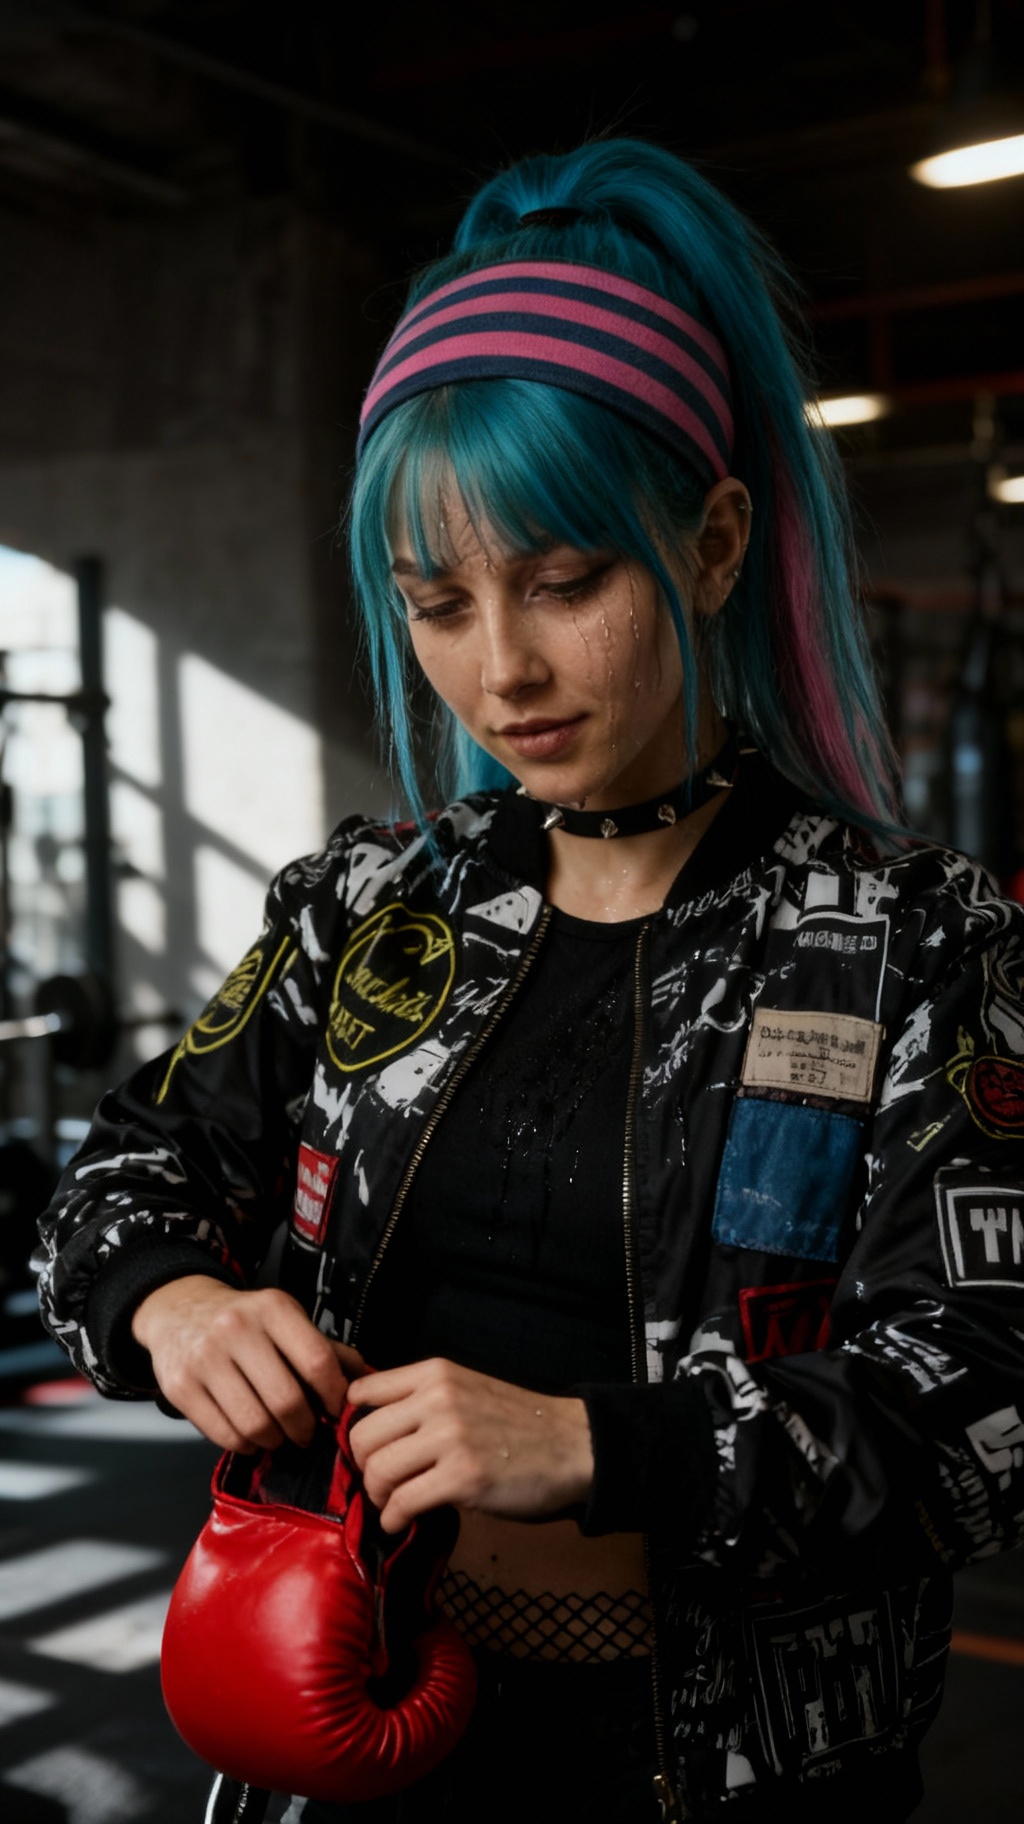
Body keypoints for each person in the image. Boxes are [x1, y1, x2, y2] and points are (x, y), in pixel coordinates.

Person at [36, 138, 1024, 1824]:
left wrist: (597, 1445)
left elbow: (987, 1397)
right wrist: (168, 1303)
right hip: (350, 1714)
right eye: (438, 603)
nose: (502, 668)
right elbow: (119, 1174)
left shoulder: (918, 943)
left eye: (569, 584)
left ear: (713, 545)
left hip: (733, 1772)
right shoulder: (363, 905)